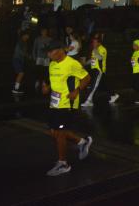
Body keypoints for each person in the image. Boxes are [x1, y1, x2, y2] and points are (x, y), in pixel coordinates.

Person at [42, 40, 92, 176]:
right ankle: (82, 142)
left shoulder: (72, 63)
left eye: (50, 52)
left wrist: (76, 91)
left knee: (60, 134)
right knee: (53, 132)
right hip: (54, 103)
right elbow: (53, 81)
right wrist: (46, 87)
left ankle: (63, 163)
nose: (48, 54)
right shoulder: (52, 64)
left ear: (59, 51)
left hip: (67, 104)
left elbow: (86, 78)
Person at [81, 37, 119, 107]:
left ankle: (89, 101)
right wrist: (85, 64)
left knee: (94, 86)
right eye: (93, 42)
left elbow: (100, 58)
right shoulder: (94, 50)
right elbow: (93, 59)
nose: (93, 44)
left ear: (99, 43)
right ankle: (114, 95)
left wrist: (95, 49)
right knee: (103, 85)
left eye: (95, 42)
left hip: (99, 70)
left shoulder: (102, 49)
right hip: (94, 70)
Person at [32, 28, 52, 93]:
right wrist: (34, 56)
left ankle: (44, 82)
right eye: (43, 31)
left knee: (46, 71)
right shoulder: (37, 39)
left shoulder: (49, 39)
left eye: (45, 31)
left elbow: (51, 48)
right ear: (41, 32)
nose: (44, 32)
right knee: (38, 70)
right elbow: (34, 48)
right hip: (39, 57)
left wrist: (51, 56)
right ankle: (37, 82)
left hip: (46, 57)